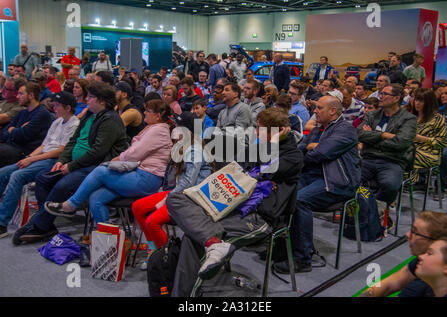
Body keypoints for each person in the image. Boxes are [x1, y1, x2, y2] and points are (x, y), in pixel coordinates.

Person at [166, 107, 303, 296]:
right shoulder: (256, 148)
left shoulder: (293, 156)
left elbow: (268, 170)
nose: (255, 132)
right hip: (229, 205)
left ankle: (208, 249)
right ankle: (213, 242)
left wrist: (268, 148)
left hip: (258, 217)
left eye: (260, 129)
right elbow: (239, 166)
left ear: (275, 132)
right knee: (175, 198)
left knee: (193, 238)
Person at [12, 81, 129, 244]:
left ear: (102, 100)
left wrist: (71, 166)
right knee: (42, 179)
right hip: (78, 163)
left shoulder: (111, 120)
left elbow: (98, 152)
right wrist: (62, 161)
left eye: (91, 97)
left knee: (61, 186)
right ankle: (44, 224)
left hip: (97, 167)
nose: (86, 99)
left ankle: (40, 225)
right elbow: (73, 141)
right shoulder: (90, 114)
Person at [44, 99, 173, 229]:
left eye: (148, 111)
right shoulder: (153, 128)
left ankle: (71, 205)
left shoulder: (159, 130)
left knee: (100, 171)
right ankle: (108, 238)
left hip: (147, 178)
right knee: (96, 197)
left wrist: (117, 159)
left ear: (158, 116)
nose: (144, 112)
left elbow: (134, 154)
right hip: (137, 174)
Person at [274, 95, 361, 274]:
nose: (314, 111)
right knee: (280, 191)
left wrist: (312, 148)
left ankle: (302, 258)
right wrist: (309, 148)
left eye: (319, 108)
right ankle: (282, 248)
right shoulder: (318, 129)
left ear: (333, 111)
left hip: (337, 182)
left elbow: (322, 153)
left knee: (299, 201)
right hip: (313, 174)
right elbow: (300, 149)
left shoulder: (345, 129)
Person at [132, 111, 211, 269]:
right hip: (179, 192)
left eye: (178, 126)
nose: (174, 128)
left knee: (152, 221)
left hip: (191, 198)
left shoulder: (195, 150)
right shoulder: (182, 146)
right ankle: (153, 249)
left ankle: (166, 256)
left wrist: (166, 199)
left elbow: (189, 182)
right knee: (137, 207)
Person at [0, 92, 79, 238]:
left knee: (17, 176)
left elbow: (60, 151)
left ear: (68, 108)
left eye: (57, 105)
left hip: (53, 161)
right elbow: (44, 145)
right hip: (41, 157)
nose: (54, 108)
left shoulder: (74, 124)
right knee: (4, 172)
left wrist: (32, 160)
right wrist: (30, 157)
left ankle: (2, 223)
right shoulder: (56, 121)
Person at [359, 210, 447, 297]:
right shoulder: (425, 265)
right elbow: (389, 284)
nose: (407, 234)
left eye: (415, 232)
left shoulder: (423, 282)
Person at [357, 84, 417, 209]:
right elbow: (359, 134)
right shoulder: (372, 115)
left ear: (396, 98)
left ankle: (377, 209)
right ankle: (365, 209)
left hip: (393, 160)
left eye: (385, 94)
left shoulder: (408, 119)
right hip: (368, 158)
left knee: (390, 185)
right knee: (349, 179)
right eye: (381, 93)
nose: (380, 96)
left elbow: (401, 143)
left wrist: (372, 138)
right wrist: (384, 135)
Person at [0, 82, 52, 168]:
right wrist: (17, 130)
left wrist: (13, 130)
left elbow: (23, 136)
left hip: (24, 152)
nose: (17, 97)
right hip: (10, 146)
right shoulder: (22, 112)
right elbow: (4, 134)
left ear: (31, 95)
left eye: (21, 94)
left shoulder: (42, 114)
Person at [410, 88, 447, 184]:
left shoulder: (437, 118)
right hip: (410, 149)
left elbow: (442, 142)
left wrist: (419, 138)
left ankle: (412, 180)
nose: (417, 103)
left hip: (430, 153)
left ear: (429, 102)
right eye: (416, 100)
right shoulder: (410, 117)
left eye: (421, 101)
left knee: (403, 156)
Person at [438, 85, 447, 195]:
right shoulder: (440, 110)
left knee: (445, 154)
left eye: (446, 93)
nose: (443, 95)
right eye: (442, 93)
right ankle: (418, 181)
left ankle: (440, 186)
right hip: (438, 140)